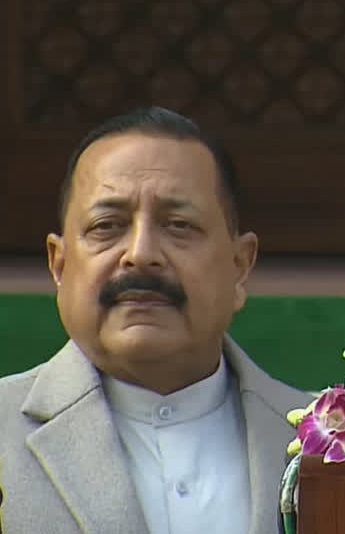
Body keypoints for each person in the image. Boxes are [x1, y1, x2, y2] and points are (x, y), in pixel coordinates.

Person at [0, 107, 312, 534]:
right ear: (59, 265)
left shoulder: (333, 444)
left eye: (179, 225)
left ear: (239, 266)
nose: (141, 253)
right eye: (107, 226)